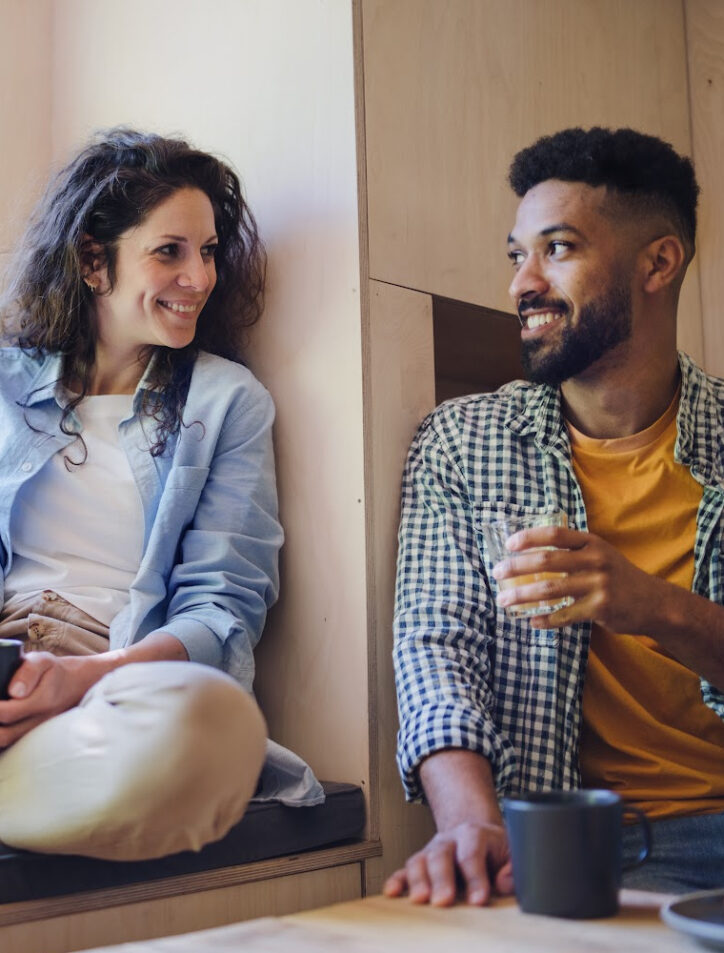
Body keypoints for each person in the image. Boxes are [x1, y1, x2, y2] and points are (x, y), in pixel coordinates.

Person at [384, 127, 724, 903]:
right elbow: (437, 652)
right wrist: (469, 823)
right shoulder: (462, 444)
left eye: (557, 249)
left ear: (658, 263)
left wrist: (651, 605)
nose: (520, 283)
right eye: (516, 255)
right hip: (576, 849)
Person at [0, 127, 319, 861]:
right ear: (92, 260)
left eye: (208, 251)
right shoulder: (7, 382)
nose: (201, 278)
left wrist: (82, 675)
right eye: (170, 250)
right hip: (7, 659)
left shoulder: (228, 401)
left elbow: (224, 608)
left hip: (108, 687)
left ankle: (33, 785)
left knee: (219, 723)